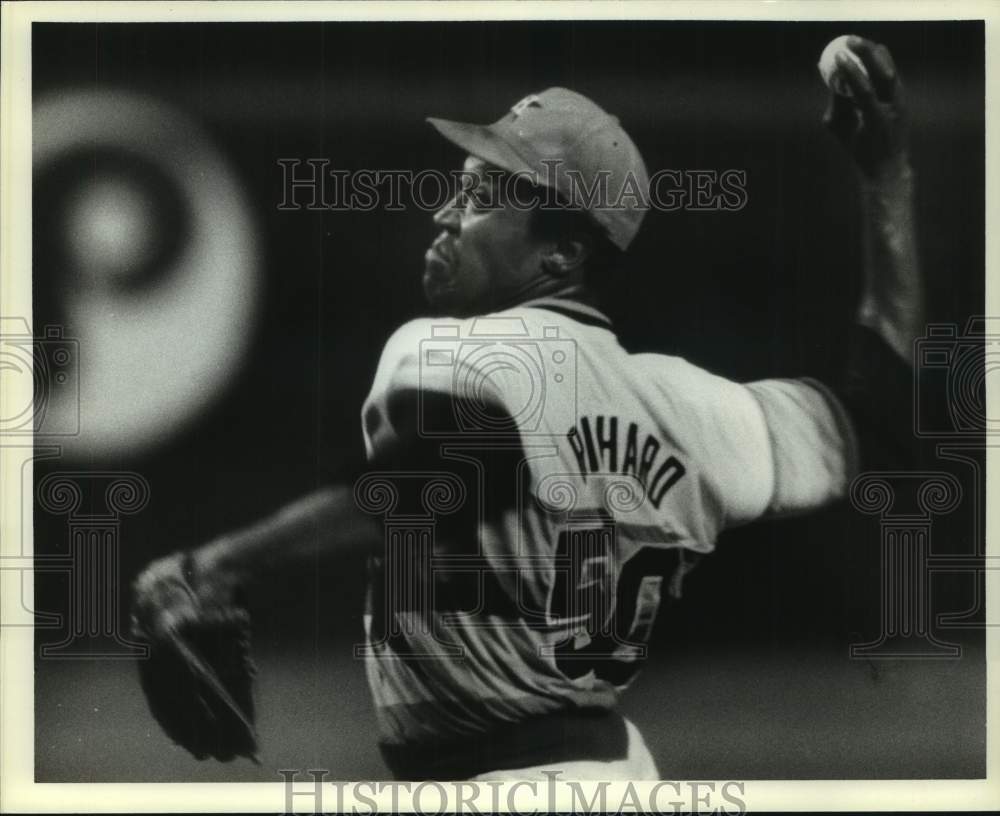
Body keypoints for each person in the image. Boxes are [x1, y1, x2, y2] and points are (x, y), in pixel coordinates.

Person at [136, 36, 921, 779]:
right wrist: (885, 179)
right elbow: (878, 419)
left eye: (481, 198)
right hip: (613, 774)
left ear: (563, 253)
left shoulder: (449, 349)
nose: (447, 214)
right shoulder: (685, 405)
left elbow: (447, 474)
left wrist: (214, 569)